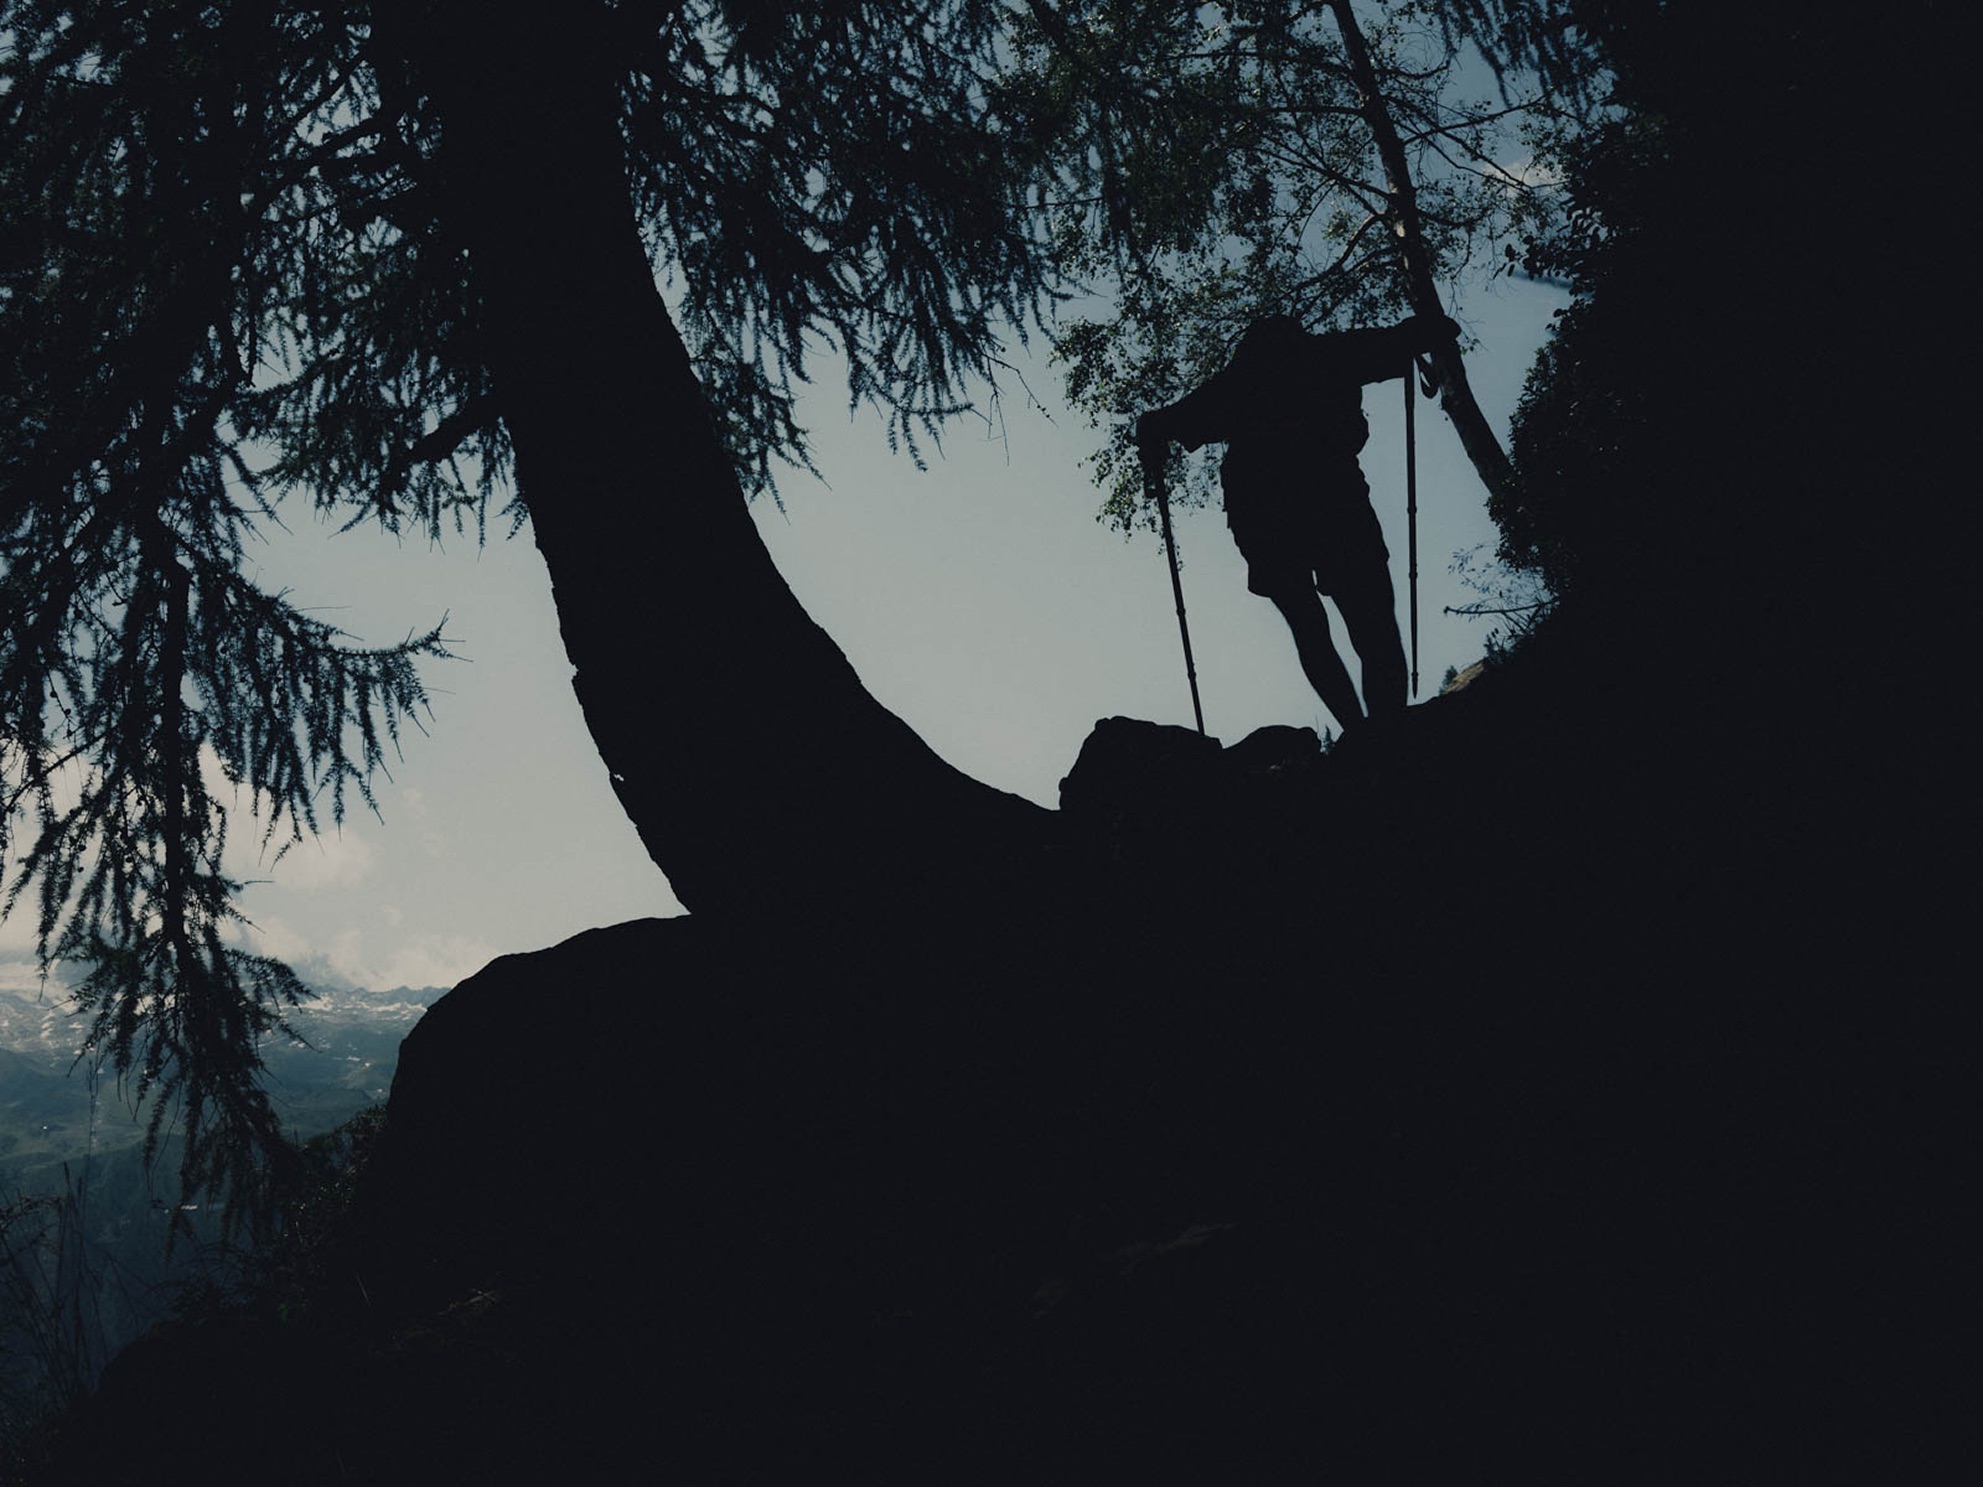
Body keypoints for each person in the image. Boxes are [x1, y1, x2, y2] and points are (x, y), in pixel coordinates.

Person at [1136, 312, 1458, 732]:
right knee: (1371, 619)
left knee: (1310, 628)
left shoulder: (1237, 384)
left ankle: (1360, 732)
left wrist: (1151, 443)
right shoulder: (1327, 356)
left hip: (1261, 511)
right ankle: (1386, 726)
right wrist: (1420, 333)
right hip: (1331, 498)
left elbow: (1160, 422)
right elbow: (1414, 336)